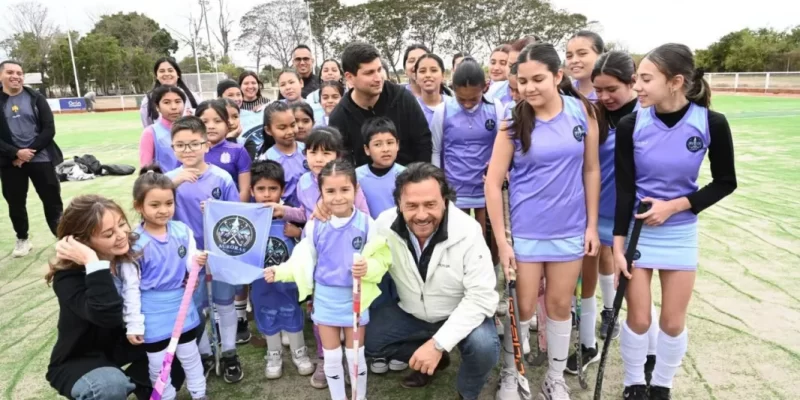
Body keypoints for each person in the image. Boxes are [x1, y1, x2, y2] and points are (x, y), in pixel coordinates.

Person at [615, 43, 736, 400]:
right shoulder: (630, 123)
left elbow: (726, 182)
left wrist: (674, 207)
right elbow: (624, 189)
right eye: (636, 78)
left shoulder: (711, 122)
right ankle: (633, 382)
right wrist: (618, 245)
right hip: (638, 233)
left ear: (675, 82)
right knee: (639, 319)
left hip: (680, 233)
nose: (637, 86)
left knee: (671, 321)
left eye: (645, 79)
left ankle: (662, 385)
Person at [485, 43, 601, 400]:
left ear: (557, 76)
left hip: (570, 230)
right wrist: (503, 242)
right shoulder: (512, 119)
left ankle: (554, 378)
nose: (529, 87)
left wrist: (591, 226)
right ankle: (511, 374)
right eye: (523, 81)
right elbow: (492, 182)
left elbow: (591, 169)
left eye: (538, 79)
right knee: (521, 309)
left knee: (560, 306)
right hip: (526, 233)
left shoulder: (583, 112)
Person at [362, 162, 499, 399]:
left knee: (484, 347)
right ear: (399, 204)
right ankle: (433, 359)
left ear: (445, 200)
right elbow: (351, 230)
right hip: (411, 312)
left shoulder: (468, 230)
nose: (422, 215)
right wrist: (323, 213)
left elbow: (481, 297)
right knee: (370, 341)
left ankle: (466, 393)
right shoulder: (383, 226)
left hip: (458, 311)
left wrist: (437, 343)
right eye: (412, 205)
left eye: (430, 204)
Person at [45, 195, 186, 400]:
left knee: (184, 334)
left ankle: (144, 388)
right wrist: (93, 263)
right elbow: (107, 317)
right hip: (82, 357)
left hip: (127, 343)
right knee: (109, 385)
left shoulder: (131, 254)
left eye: (122, 224)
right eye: (109, 233)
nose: (121, 235)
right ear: (83, 241)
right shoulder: (67, 278)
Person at [266, 158, 379, 400]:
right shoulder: (314, 226)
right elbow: (303, 259)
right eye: (330, 191)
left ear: (356, 189)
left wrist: (368, 267)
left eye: (345, 189)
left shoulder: (367, 224)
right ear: (321, 192)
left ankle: (359, 397)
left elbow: (381, 259)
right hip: (326, 299)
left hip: (356, 298)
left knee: (356, 356)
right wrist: (280, 272)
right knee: (332, 357)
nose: (338, 197)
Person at [565, 51, 641, 377]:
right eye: (599, 90)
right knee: (585, 282)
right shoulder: (592, 114)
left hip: (632, 220)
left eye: (612, 89)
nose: (605, 97)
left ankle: (641, 363)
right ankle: (587, 345)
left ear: (632, 82)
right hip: (592, 214)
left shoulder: (646, 116)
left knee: (636, 294)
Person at [164, 116, 244, 384]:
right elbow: (152, 210)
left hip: (218, 253)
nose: (187, 150)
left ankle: (229, 352)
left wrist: (216, 210)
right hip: (185, 257)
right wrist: (173, 185)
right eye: (180, 145)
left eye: (193, 144)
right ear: (173, 148)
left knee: (224, 302)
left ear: (206, 145)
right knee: (194, 307)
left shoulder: (221, 177)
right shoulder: (167, 180)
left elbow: (236, 216)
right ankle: (205, 353)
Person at [123, 166, 208, 400]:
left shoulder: (182, 231)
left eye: (169, 203)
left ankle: (199, 393)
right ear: (139, 206)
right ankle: (165, 396)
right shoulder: (135, 243)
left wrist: (197, 260)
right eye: (155, 205)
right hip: (152, 311)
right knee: (158, 363)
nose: (163, 210)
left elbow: (190, 263)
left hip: (181, 304)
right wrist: (134, 323)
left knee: (190, 355)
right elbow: (130, 287)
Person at [249, 160, 314, 380]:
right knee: (267, 314)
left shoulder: (291, 217)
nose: (267, 194)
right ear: (252, 191)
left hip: (288, 283)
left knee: (291, 312)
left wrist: (297, 233)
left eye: (273, 188)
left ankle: (299, 352)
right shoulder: (248, 220)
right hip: (261, 282)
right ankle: (273, 354)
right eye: (261, 189)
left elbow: (309, 246)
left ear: (282, 190)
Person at [329, 42, 432, 167]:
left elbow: (423, 142)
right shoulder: (339, 117)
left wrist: (418, 176)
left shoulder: (403, 98)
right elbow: (342, 163)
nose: (378, 78)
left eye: (379, 70)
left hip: (409, 176)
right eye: (369, 73)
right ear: (349, 77)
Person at [431, 58, 501, 238]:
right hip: (455, 188)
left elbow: (502, 149)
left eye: (474, 99)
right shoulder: (442, 110)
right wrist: (439, 184)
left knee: (486, 236)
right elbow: (436, 150)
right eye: (462, 99)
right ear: (453, 89)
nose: (468, 104)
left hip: (486, 188)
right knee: (457, 236)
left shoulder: (495, 108)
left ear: (484, 87)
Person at [0, 60, 63, 257]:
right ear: (1, 76)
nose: (16, 76)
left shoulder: (36, 98)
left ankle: (62, 238)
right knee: (15, 203)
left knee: (52, 200)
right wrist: (15, 153)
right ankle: (22, 238)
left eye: (19, 73)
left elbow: (49, 129)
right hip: (11, 162)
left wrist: (28, 153)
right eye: (10, 72)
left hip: (40, 158)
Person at [195, 100, 252, 202]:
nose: (211, 126)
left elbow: (245, 190)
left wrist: (235, 210)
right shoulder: (189, 151)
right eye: (204, 122)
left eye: (217, 121)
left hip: (230, 208)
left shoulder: (238, 151)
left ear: (227, 124)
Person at [257, 101, 307, 208]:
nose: (290, 131)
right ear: (268, 130)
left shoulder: (309, 150)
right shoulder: (266, 160)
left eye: (293, 125)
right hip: (283, 214)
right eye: (282, 128)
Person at [139, 86, 187, 171]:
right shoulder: (150, 133)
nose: (173, 107)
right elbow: (146, 169)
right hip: (164, 179)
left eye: (178, 102)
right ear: (157, 107)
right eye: (167, 102)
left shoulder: (193, 130)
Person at [140, 57, 198, 128]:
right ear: (156, 76)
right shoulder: (148, 100)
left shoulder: (192, 97)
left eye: (170, 70)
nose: (166, 74)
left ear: (178, 74)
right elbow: (147, 126)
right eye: (162, 71)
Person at [566, 31, 605, 102]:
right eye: (569, 56)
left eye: (582, 53)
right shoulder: (564, 93)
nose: (574, 60)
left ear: (600, 56)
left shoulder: (610, 95)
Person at [414, 53, 451, 127]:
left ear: (443, 75)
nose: (428, 75)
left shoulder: (453, 105)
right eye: (422, 71)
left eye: (434, 70)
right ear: (416, 77)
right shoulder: (411, 108)